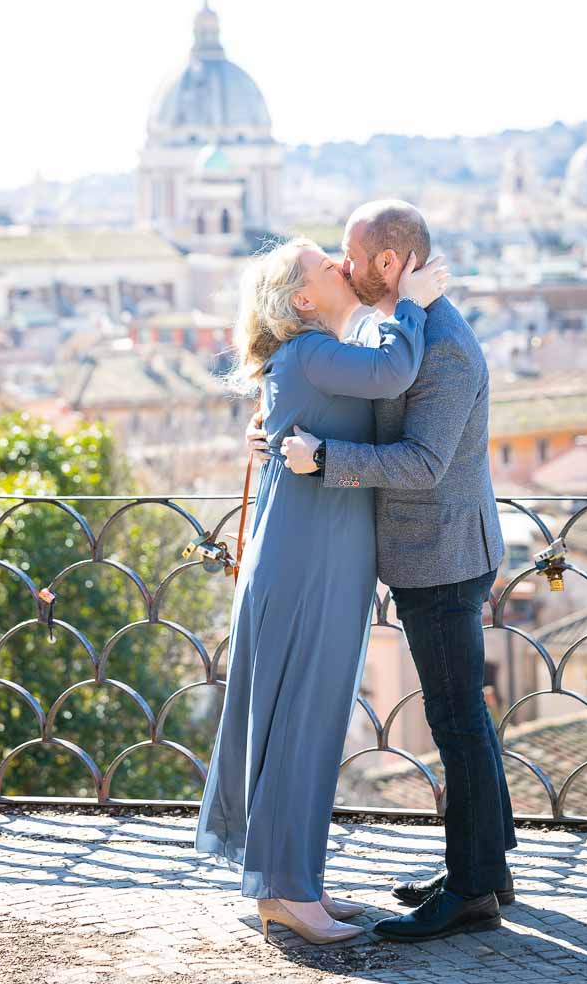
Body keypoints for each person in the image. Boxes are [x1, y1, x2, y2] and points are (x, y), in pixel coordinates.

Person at [266, 200, 517, 943]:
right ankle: (488, 865)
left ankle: (473, 891)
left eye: (350, 255)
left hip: (442, 556)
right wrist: (278, 426)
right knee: (463, 717)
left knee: (457, 721)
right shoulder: (409, 321)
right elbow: (368, 390)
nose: (341, 267)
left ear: (385, 263)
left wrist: (325, 461)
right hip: (435, 549)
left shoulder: (442, 346)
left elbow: (423, 462)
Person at [194, 236, 448, 946]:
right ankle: (282, 891)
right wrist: (413, 304)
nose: (341, 264)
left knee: (313, 721)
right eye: (323, 263)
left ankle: (295, 879)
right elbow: (395, 372)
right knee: (301, 721)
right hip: (308, 558)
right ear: (302, 299)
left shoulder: (314, 353)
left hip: (320, 553)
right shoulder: (310, 351)